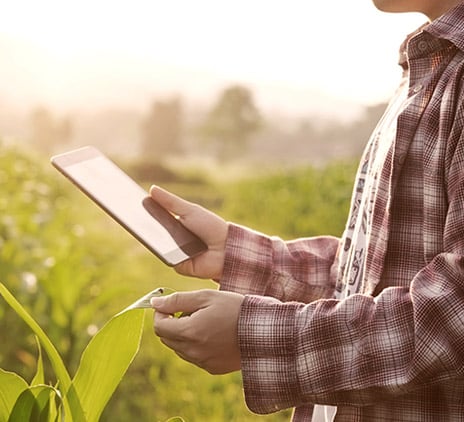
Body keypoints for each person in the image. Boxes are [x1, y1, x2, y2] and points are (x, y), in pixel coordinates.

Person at [149, 1, 464, 420]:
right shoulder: (433, 64)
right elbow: (368, 276)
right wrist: (237, 252)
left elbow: (453, 314)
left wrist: (259, 338)